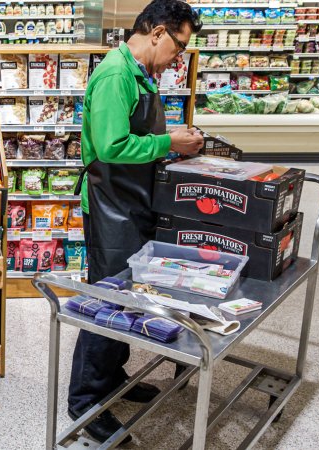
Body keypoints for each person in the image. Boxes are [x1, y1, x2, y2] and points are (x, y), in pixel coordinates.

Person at [68, 0, 205, 443]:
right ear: (158, 32)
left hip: (132, 200)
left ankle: (111, 378)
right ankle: (86, 404)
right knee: (107, 302)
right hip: (111, 205)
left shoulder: (140, 72)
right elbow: (110, 147)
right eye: (179, 45)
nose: (179, 56)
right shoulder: (114, 75)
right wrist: (168, 142)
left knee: (128, 295)